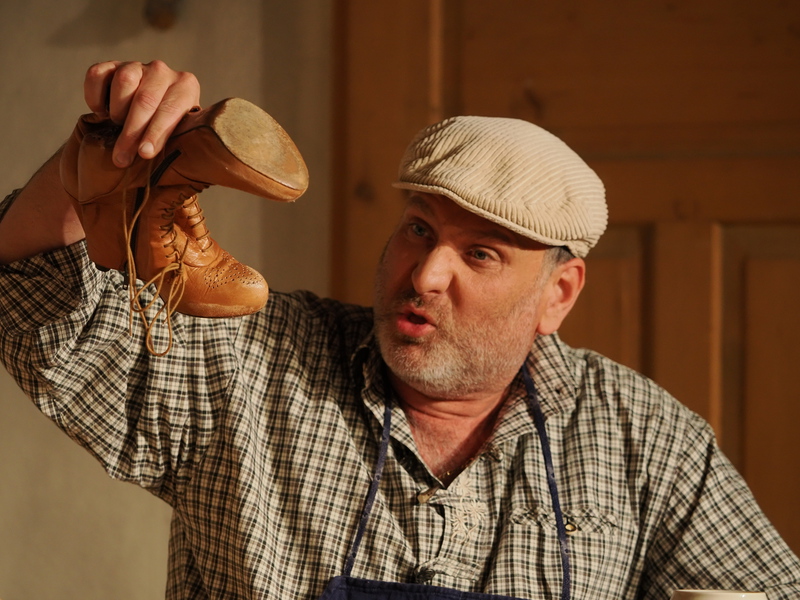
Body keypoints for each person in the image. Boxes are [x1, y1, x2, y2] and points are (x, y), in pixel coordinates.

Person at [0, 61, 798, 600]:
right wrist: (94, 166)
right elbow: (26, 297)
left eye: (480, 254)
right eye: (420, 230)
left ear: (558, 294)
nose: (425, 275)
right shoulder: (250, 363)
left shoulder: (646, 441)